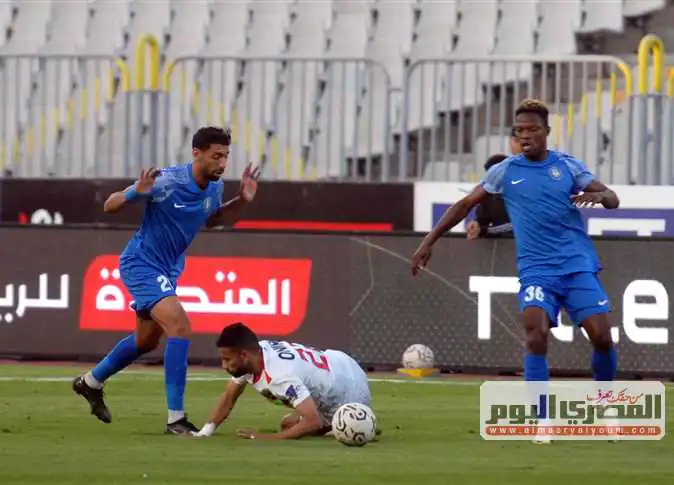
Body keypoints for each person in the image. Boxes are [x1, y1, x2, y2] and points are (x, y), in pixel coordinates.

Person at [411, 99, 620, 440]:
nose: (525, 135)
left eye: (532, 129)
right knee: (535, 335)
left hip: (576, 266)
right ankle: (542, 420)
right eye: (519, 130)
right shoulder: (505, 171)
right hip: (537, 271)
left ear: (546, 132)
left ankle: (605, 406)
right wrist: (429, 240)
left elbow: (612, 198)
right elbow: (465, 204)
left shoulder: (567, 166)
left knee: (602, 338)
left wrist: (602, 196)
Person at [73, 126, 260, 436]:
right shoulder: (167, 181)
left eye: (226, 156)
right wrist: (135, 192)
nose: (223, 163)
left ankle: (90, 382)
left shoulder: (214, 187)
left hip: (169, 270)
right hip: (141, 263)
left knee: (145, 341)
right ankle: (176, 419)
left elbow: (212, 219)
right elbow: (110, 205)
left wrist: (241, 200)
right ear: (196, 153)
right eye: (216, 156)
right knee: (180, 326)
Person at [196, 322, 373, 440]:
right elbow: (229, 395)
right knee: (288, 424)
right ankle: (336, 425)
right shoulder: (257, 352)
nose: (224, 365)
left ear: (243, 355)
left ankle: (350, 425)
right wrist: (205, 432)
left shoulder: (279, 376)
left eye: (227, 359)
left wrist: (264, 438)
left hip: (349, 396)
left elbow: (312, 421)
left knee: (303, 426)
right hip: (340, 363)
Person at [465, 154, 512, 240]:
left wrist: (486, 230)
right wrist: (475, 225)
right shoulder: (488, 197)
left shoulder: (524, 193)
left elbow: (517, 225)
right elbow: (482, 222)